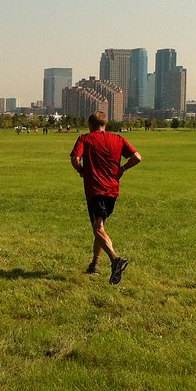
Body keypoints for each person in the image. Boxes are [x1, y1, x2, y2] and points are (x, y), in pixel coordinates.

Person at [70, 112, 142, 285]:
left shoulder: (85, 139)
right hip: (112, 190)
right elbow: (137, 157)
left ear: (90, 124)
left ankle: (115, 260)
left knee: (97, 227)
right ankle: (94, 264)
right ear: (105, 124)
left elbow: (75, 159)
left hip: (95, 189)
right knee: (100, 227)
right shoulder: (118, 139)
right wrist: (122, 169)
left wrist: (81, 171)